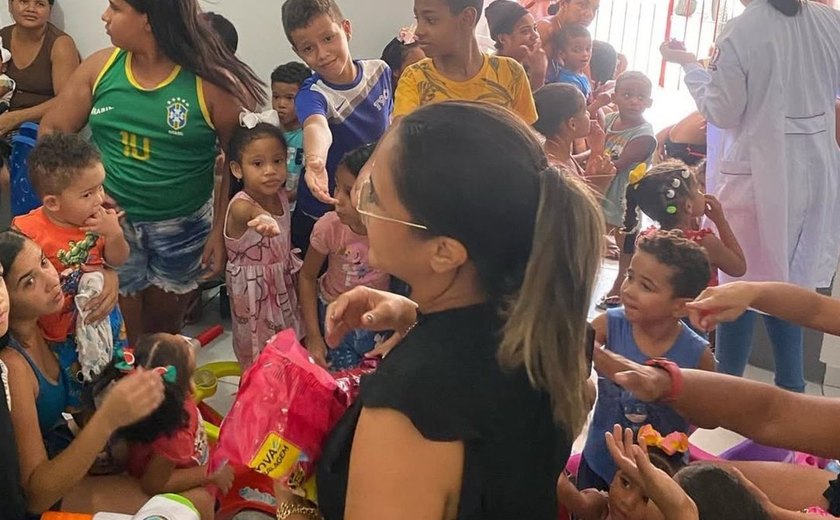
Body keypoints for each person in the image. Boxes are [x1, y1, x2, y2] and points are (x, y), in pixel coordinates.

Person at [271, 101, 606, 520]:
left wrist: (292, 507)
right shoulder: (553, 324)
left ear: (444, 252)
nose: (361, 206)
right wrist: (417, 315)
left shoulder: (409, 411)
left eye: (375, 195)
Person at [39, 0, 264, 345]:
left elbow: (237, 167)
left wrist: (220, 231)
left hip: (183, 229)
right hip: (112, 225)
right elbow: (52, 131)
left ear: (149, 19)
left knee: (162, 334)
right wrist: (79, 197)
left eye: (115, 8)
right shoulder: (100, 68)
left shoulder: (212, 84)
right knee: (124, 334)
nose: (105, 16)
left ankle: (160, 388)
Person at [658, 0, 840, 393]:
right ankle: (791, 387)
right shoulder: (829, 21)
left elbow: (722, 111)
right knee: (792, 284)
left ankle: (728, 388)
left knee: (740, 284)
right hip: (816, 171)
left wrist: (690, 66)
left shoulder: (742, 31)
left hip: (760, 176)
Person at [0, 230, 169, 515]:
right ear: (8, 298)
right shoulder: (13, 366)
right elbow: (35, 494)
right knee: (177, 503)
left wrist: (112, 278)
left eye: (43, 262)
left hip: (64, 446)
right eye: (29, 282)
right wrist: (104, 421)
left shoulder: (48, 324)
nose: (52, 280)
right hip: (46, 488)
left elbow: (96, 258)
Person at [579, 231, 716, 491]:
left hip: (659, 476)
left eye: (646, 286)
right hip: (599, 463)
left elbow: (710, 416)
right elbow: (573, 352)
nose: (629, 290)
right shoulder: (609, 324)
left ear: (680, 307)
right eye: (630, 277)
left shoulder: (697, 353)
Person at [12, 133, 130, 408]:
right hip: (57, 334)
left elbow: (118, 260)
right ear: (52, 202)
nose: (99, 199)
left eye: (100, 187)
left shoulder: (100, 219)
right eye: (88, 194)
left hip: (101, 317)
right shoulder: (26, 232)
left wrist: (113, 235)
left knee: (113, 380)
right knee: (78, 396)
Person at [281, 0, 393, 248]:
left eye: (328, 38)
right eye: (308, 48)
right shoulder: (313, 95)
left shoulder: (380, 71)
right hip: (323, 207)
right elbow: (316, 126)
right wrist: (315, 161)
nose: (322, 54)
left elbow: (389, 125)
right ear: (297, 52)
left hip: (369, 202)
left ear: (346, 28)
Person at [87, 333, 233, 520]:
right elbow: (153, 485)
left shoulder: (148, 391)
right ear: (184, 381)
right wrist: (210, 473)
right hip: (180, 490)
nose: (182, 338)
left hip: (177, 460)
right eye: (182, 344)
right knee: (204, 502)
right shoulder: (176, 434)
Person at [299, 143, 389, 371]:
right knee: (341, 382)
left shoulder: (392, 233)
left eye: (349, 192)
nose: (337, 198)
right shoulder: (329, 228)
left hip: (378, 319)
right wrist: (313, 336)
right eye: (337, 187)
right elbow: (307, 277)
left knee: (370, 380)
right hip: (334, 317)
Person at [224, 117, 304, 370]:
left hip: (282, 287)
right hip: (253, 298)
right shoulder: (240, 204)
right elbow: (251, 212)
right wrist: (263, 219)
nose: (270, 170)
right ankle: (255, 400)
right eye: (258, 164)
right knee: (257, 356)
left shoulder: (280, 195)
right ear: (238, 169)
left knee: (288, 347)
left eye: (277, 161)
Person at [393, 0, 537, 124]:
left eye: (431, 20)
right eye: (418, 19)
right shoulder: (415, 78)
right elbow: (398, 139)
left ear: (467, 18)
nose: (419, 31)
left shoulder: (510, 73)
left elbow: (529, 143)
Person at [623, 160, 746, 287]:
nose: (702, 193)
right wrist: (721, 221)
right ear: (688, 206)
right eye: (698, 189)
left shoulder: (645, 239)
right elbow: (739, 268)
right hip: (698, 306)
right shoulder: (704, 243)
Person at [598, 71, 656, 309]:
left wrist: (588, 159)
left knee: (626, 242)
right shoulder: (610, 120)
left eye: (641, 97)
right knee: (594, 233)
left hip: (624, 196)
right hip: (603, 188)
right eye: (628, 95)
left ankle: (621, 280)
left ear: (649, 103)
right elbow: (595, 145)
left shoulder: (645, 136)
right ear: (615, 97)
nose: (634, 101)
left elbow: (616, 164)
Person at [558, 429, 687, 520]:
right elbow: (577, 501)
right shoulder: (602, 507)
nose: (628, 502)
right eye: (625, 482)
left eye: (646, 498)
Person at [0, 0, 80, 134]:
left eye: (40, 4)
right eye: (24, 1)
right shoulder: (2, 37)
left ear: (50, 10)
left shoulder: (60, 45)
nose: (31, 9)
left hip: (39, 128)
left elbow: (67, 101)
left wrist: (14, 118)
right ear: (10, 5)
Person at [532, 82, 615, 192]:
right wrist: (599, 184)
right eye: (585, 110)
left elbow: (584, 181)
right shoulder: (557, 173)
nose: (589, 114)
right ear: (572, 124)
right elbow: (585, 205)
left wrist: (594, 150)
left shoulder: (561, 153)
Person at [270, 61, 312, 211]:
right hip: (268, 206)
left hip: (298, 209)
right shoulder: (266, 130)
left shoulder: (310, 135)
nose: (281, 104)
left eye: (289, 98)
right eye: (276, 97)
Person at [485, 0, 548, 90]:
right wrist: (538, 75)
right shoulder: (496, 71)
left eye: (535, 28)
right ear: (502, 39)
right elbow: (529, 103)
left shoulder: (525, 62)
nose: (535, 36)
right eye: (525, 31)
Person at [550, 24, 592, 99]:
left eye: (588, 49)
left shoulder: (580, 74)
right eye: (576, 50)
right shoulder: (568, 83)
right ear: (562, 54)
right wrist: (598, 104)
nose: (585, 54)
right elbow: (578, 110)